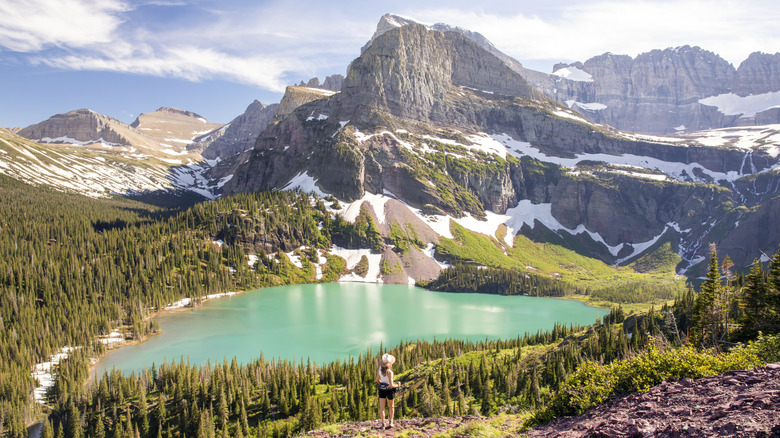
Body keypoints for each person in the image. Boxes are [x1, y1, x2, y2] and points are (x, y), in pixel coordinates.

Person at [376, 353, 400, 429]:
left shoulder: (379, 369)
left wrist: (382, 384)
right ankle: (391, 422)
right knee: (391, 406)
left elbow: (377, 380)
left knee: (382, 408)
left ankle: (383, 424)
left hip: (381, 389)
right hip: (389, 390)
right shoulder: (389, 372)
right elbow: (391, 385)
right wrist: (398, 385)